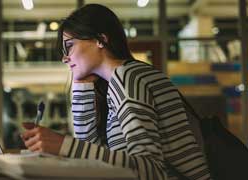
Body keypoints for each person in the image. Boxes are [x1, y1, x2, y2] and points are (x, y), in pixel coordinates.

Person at [21, 4, 211, 180]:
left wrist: (64, 145)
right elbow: (90, 156)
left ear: (100, 40)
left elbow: (151, 170)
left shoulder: (128, 77)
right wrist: (81, 85)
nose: (65, 58)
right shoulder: (122, 78)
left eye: (69, 46)